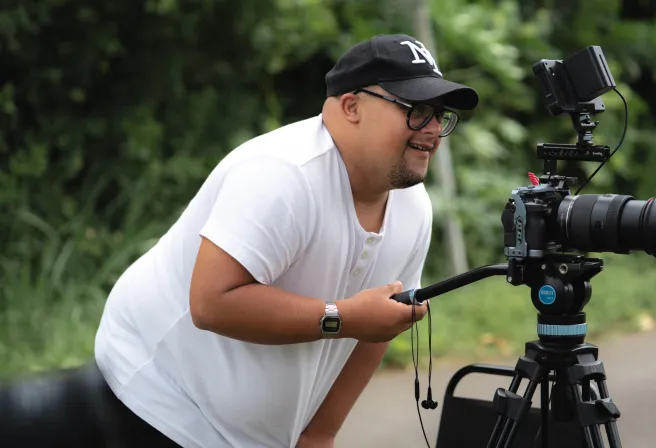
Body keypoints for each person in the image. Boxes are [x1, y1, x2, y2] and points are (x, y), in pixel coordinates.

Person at [89, 33, 479, 448]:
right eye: (417, 110)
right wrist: (343, 317)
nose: (434, 129)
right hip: (156, 398)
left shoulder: (413, 206)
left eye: (439, 114)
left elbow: (377, 329)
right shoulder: (282, 175)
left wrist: (320, 433)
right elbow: (210, 302)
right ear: (351, 106)